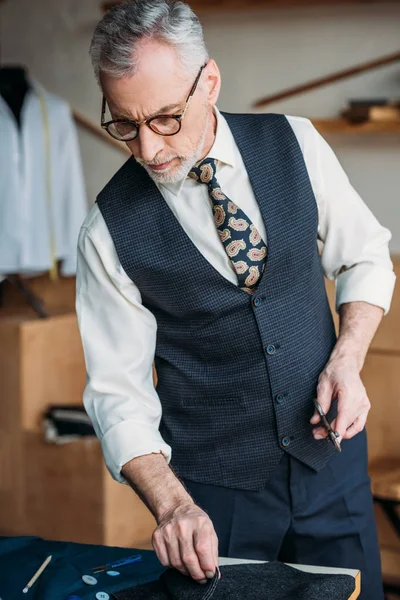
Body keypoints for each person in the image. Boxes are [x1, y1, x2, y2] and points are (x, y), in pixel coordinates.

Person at [76, 2, 396, 598]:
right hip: (211, 500)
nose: (148, 149)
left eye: (167, 118)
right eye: (125, 124)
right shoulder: (106, 231)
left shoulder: (295, 142)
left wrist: (348, 356)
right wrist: (173, 506)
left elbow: (365, 256)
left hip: (332, 465)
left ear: (211, 82)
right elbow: (118, 395)